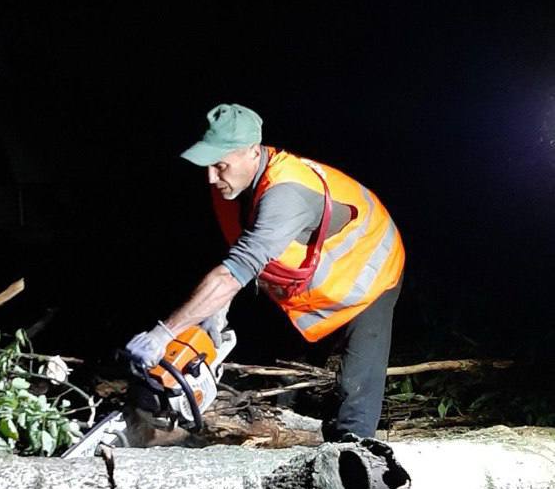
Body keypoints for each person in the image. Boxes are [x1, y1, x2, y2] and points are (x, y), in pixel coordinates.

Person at [126, 103, 405, 441]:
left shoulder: (285, 195)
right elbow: (238, 254)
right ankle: (279, 424)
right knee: (277, 358)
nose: (211, 177)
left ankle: (356, 457)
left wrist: (163, 333)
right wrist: (216, 313)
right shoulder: (235, 185)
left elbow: (233, 273)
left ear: (252, 153)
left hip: (371, 268)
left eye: (220, 165)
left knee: (356, 384)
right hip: (306, 284)